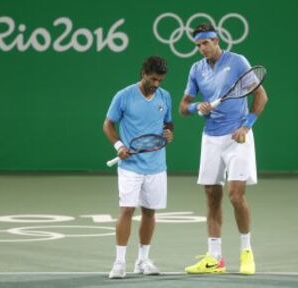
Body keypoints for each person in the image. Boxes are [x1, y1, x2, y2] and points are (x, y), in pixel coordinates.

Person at [179, 23, 268, 275]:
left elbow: (261, 95)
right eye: (197, 45)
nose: (201, 48)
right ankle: (214, 258)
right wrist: (198, 107)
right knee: (211, 196)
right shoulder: (196, 69)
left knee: (236, 196)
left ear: (216, 40)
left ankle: (246, 252)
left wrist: (247, 126)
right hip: (210, 138)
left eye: (205, 43)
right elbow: (183, 107)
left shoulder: (237, 61)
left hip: (237, 137)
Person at [103, 56, 174, 279]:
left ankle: (142, 260)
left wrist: (169, 133)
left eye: (160, 80)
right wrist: (119, 145)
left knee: (150, 212)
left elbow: (168, 124)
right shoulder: (124, 96)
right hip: (130, 166)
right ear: (143, 73)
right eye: (153, 79)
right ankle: (119, 262)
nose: (157, 84)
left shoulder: (165, 97)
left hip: (157, 165)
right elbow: (108, 124)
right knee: (126, 210)